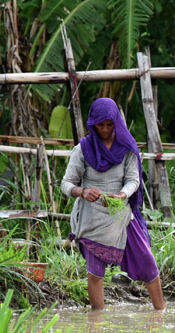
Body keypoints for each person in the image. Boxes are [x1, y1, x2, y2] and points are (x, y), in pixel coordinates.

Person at [61, 97, 165, 311]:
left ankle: (160, 315)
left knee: (148, 263)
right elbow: (66, 183)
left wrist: (122, 195)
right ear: (93, 124)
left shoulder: (127, 147)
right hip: (92, 219)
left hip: (121, 214)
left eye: (110, 124)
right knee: (95, 273)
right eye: (101, 125)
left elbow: (133, 180)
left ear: (116, 122)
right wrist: (82, 191)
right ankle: (97, 323)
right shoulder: (83, 150)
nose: (106, 129)